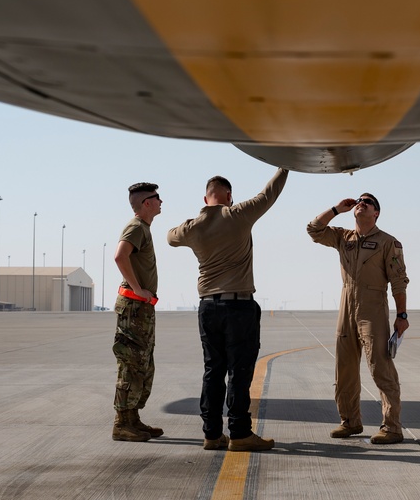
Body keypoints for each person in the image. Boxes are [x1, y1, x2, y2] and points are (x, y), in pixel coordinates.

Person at [167, 167, 289, 452]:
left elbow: (170, 237)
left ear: (205, 197)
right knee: (239, 371)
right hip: (239, 307)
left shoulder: (192, 227)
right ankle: (240, 433)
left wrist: (195, 220)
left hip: (208, 308)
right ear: (229, 196)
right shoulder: (238, 215)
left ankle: (211, 433)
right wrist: (284, 166)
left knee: (213, 371)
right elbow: (268, 195)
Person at [307, 193, 409, 445]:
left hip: (372, 307)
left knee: (380, 367)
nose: (362, 203)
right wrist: (335, 209)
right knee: (345, 369)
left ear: (377, 213)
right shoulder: (344, 238)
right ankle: (350, 421)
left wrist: (402, 315)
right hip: (346, 306)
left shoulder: (388, 242)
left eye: (369, 202)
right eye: (360, 200)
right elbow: (313, 229)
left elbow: (398, 280)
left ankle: (392, 427)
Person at [111, 182, 164, 442]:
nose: (161, 201)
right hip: (133, 307)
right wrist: (138, 289)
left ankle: (132, 420)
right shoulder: (135, 227)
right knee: (131, 364)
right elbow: (120, 256)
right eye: (157, 198)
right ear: (147, 203)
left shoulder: (143, 228)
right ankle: (122, 423)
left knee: (142, 365)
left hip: (140, 309)